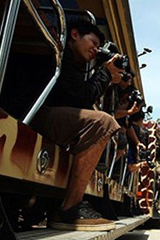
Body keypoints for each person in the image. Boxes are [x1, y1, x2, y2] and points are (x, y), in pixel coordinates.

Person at [30, 18, 124, 231]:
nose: (96, 49)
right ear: (74, 34)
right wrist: (105, 74)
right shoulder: (58, 52)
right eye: (93, 42)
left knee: (98, 123)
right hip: (31, 112)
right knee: (104, 122)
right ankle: (69, 209)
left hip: (42, 113)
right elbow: (78, 100)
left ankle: (55, 201)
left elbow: (77, 99)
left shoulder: (71, 60)